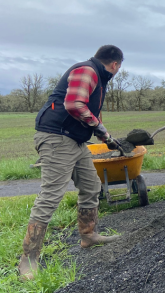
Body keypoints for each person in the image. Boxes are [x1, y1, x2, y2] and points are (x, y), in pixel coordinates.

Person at [18, 45, 125, 280]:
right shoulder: (88, 71)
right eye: (118, 67)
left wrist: (105, 137)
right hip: (57, 137)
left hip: (75, 140)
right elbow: (75, 105)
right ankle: (28, 259)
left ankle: (88, 236)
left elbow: (89, 113)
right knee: (51, 195)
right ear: (115, 64)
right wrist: (99, 128)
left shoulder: (98, 78)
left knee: (91, 186)